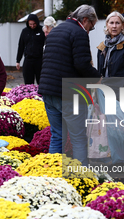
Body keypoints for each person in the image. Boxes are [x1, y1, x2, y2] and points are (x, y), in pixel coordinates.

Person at [38, 5, 100, 166]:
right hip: (67, 93)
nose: (89, 31)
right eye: (91, 27)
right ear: (85, 20)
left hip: (48, 91)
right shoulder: (79, 32)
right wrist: (97, 77)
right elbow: (81, 64)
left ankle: (53, 176)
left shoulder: (56, 30)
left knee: (57, 135)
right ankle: (81, 179)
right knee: (78, 138)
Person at [16, 14, 45, 85]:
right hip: (28, 60)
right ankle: (29, 95)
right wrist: (18, 60)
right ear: (28, 23)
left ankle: (40, 95)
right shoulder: (24, 31)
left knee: (41, 82)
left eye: (34, 24)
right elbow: (21, 46)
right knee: (28, 84)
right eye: (30, 24)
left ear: (37, 22)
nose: (32, 26)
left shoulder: (42, 31)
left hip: (39, 60)